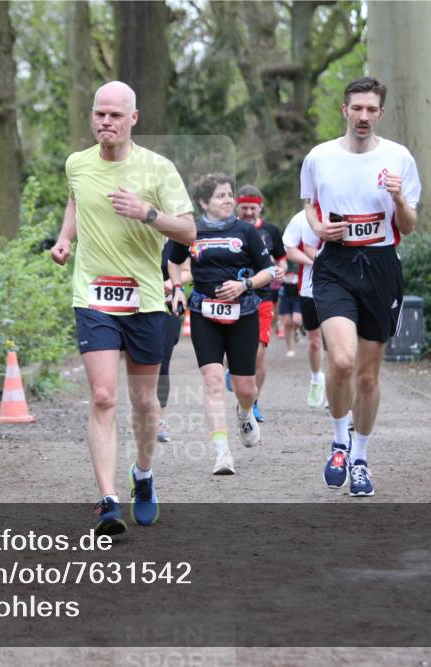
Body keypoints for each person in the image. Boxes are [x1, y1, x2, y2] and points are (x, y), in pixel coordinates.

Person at [51, 81, 195, 534]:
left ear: (133, 118)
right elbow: (76, 198)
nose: (105, 122)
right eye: (99, 114)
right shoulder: (77, 164)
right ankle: (108, 500)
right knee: (102, 396)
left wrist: (147, 213)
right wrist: (65, 238)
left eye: (115, 115)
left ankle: (144, 475)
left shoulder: (158, 169)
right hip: (93, 296)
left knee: (144, 402)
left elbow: (189, 232)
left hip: (146, 300)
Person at [299, 76, 420, 497]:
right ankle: (338, 439)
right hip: (335, 264)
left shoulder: (399, 158)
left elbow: (409, 225)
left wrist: (401, 200)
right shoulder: (319, 157)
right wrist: (320, 229)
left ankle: (361, 457)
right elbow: (309, 210)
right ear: (345, 110)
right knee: (344, 361)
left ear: (380, 113)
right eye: (357, 108)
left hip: (382, 265)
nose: (364, 116)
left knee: (367, 377)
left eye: (372, 109)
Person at [167, 173, 274, 475]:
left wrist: (245, 285)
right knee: (213, 381)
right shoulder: (191, 232)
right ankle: (222, 452)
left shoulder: (247, 232)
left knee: (245, 387)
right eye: (220, 196)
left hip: (243, 314)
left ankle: (244, 412)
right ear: (203, 202)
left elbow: (270, 271)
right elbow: (174, 261)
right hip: (204, 314)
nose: (228, 200)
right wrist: (177, 289)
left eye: (230, 195)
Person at [233, 185, 287, 423]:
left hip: (263, 297)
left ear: (260, 207)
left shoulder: (271, 231)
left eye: (252, 208)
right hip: (233, 297)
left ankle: (253, 402)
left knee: (258, 354)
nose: (247, 212)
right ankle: (234, 375)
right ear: (237, 205)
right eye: (243, 207)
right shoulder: (229, 229)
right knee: (231, 353)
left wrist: (281, 271)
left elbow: (283, 260)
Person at [282, 209, 326, 408]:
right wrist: (316, 262)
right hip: (310, 289)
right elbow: (289, 250)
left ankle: (339, 391)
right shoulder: (301, 218)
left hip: (342, 289)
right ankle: (317, 379)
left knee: (337, 344)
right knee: (315, 342)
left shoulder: (346, 209)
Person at [156, 243, 191, 443]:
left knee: (162, 363)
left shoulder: (174, 240)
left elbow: (187, 271)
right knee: (142, 361)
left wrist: (172, 282)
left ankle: (160, 420)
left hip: (168, 305)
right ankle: (144, 413)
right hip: (137, 306)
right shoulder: (135, 234)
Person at [277, 262, 303, 357]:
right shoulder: (281, 259)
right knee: (287, 323)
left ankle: (296, 331)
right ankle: (290, 348)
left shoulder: (298, 260)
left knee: (296, 321)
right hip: (286, 295)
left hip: (297, 295)